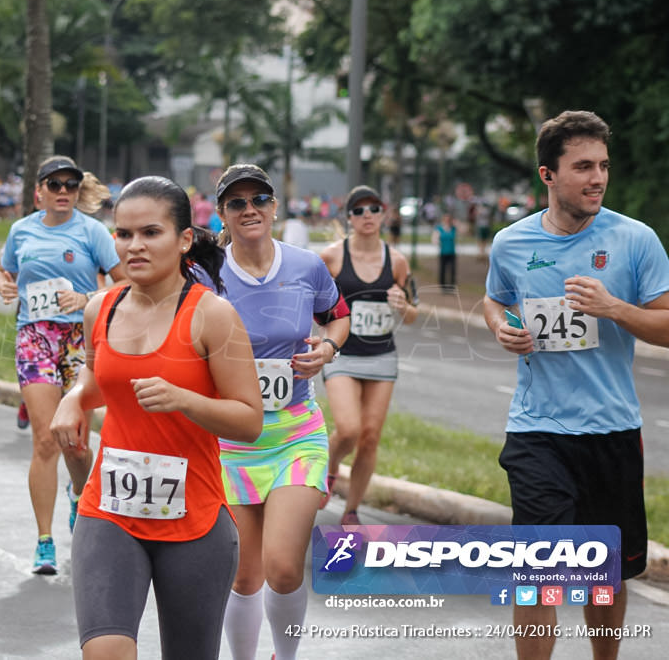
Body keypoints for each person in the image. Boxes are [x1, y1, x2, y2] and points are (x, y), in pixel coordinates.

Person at [50, 175, 264, 660]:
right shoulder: (100, 309)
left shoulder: (213, 316)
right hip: (109, 510)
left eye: (150, 233)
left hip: (194, 520)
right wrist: (73, 399)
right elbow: (95, 376)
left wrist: (185, 399)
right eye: (123, 234)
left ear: (184, 239)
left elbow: (249, 421)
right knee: (104, 652)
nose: (134, 246)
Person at [483, 110, 669, 660]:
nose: (597, 178)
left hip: (611, 428)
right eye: (583, 166)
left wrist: (615, 308)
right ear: (548, 175)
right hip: (537, 428)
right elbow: (496, 297)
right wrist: (500, 326)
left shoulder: (635, 240)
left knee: (604, 573)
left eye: (603, 166)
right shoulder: (510, 244)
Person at [214, 164, 349, 660]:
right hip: (231, 439)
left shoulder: (306, 265)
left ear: (274, 207)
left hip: (296, 433)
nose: (250, 209)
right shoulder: (206, 273)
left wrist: (328, 350)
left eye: (259, 199)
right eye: (237, 203)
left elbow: (339, 318)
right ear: (223, 214)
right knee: (244, 573)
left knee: (284, 566)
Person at [0, 155, 125, 575]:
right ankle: (44, 541)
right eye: (55, 184)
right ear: (40, 191)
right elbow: (5, 269)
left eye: (70, 184)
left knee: (77, 442)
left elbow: (124, 281)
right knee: (46, 439)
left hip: (80, 341)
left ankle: (78, 495)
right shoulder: (21, 230)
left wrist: (88, 299)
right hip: (35, 336)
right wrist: (3, 283)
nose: (63, 191)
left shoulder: (93, 232)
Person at [318, 185, 418, 525]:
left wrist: (404, 306)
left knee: (370, 435)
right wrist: (320, 332)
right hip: (342, 354)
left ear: (383, 214)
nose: (367, 216)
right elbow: (312, 302)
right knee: (348, 430)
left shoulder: (398, 261)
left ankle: (351, 510)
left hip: (381, 356)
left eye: (373, 209)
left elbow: (414, 311)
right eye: (358, 210)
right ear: (349, 218)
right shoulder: (331, 257)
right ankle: (330, 466)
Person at [433, 211, 458, 293]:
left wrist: (457, 223)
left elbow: (465, 231)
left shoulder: (453, 228)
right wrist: (438, 242)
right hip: (443, 253)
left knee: (452, 270)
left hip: (452, 253)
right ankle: (443, 286)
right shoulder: (439, 229)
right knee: (442, 270)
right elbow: (434, 239)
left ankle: (451, 286)